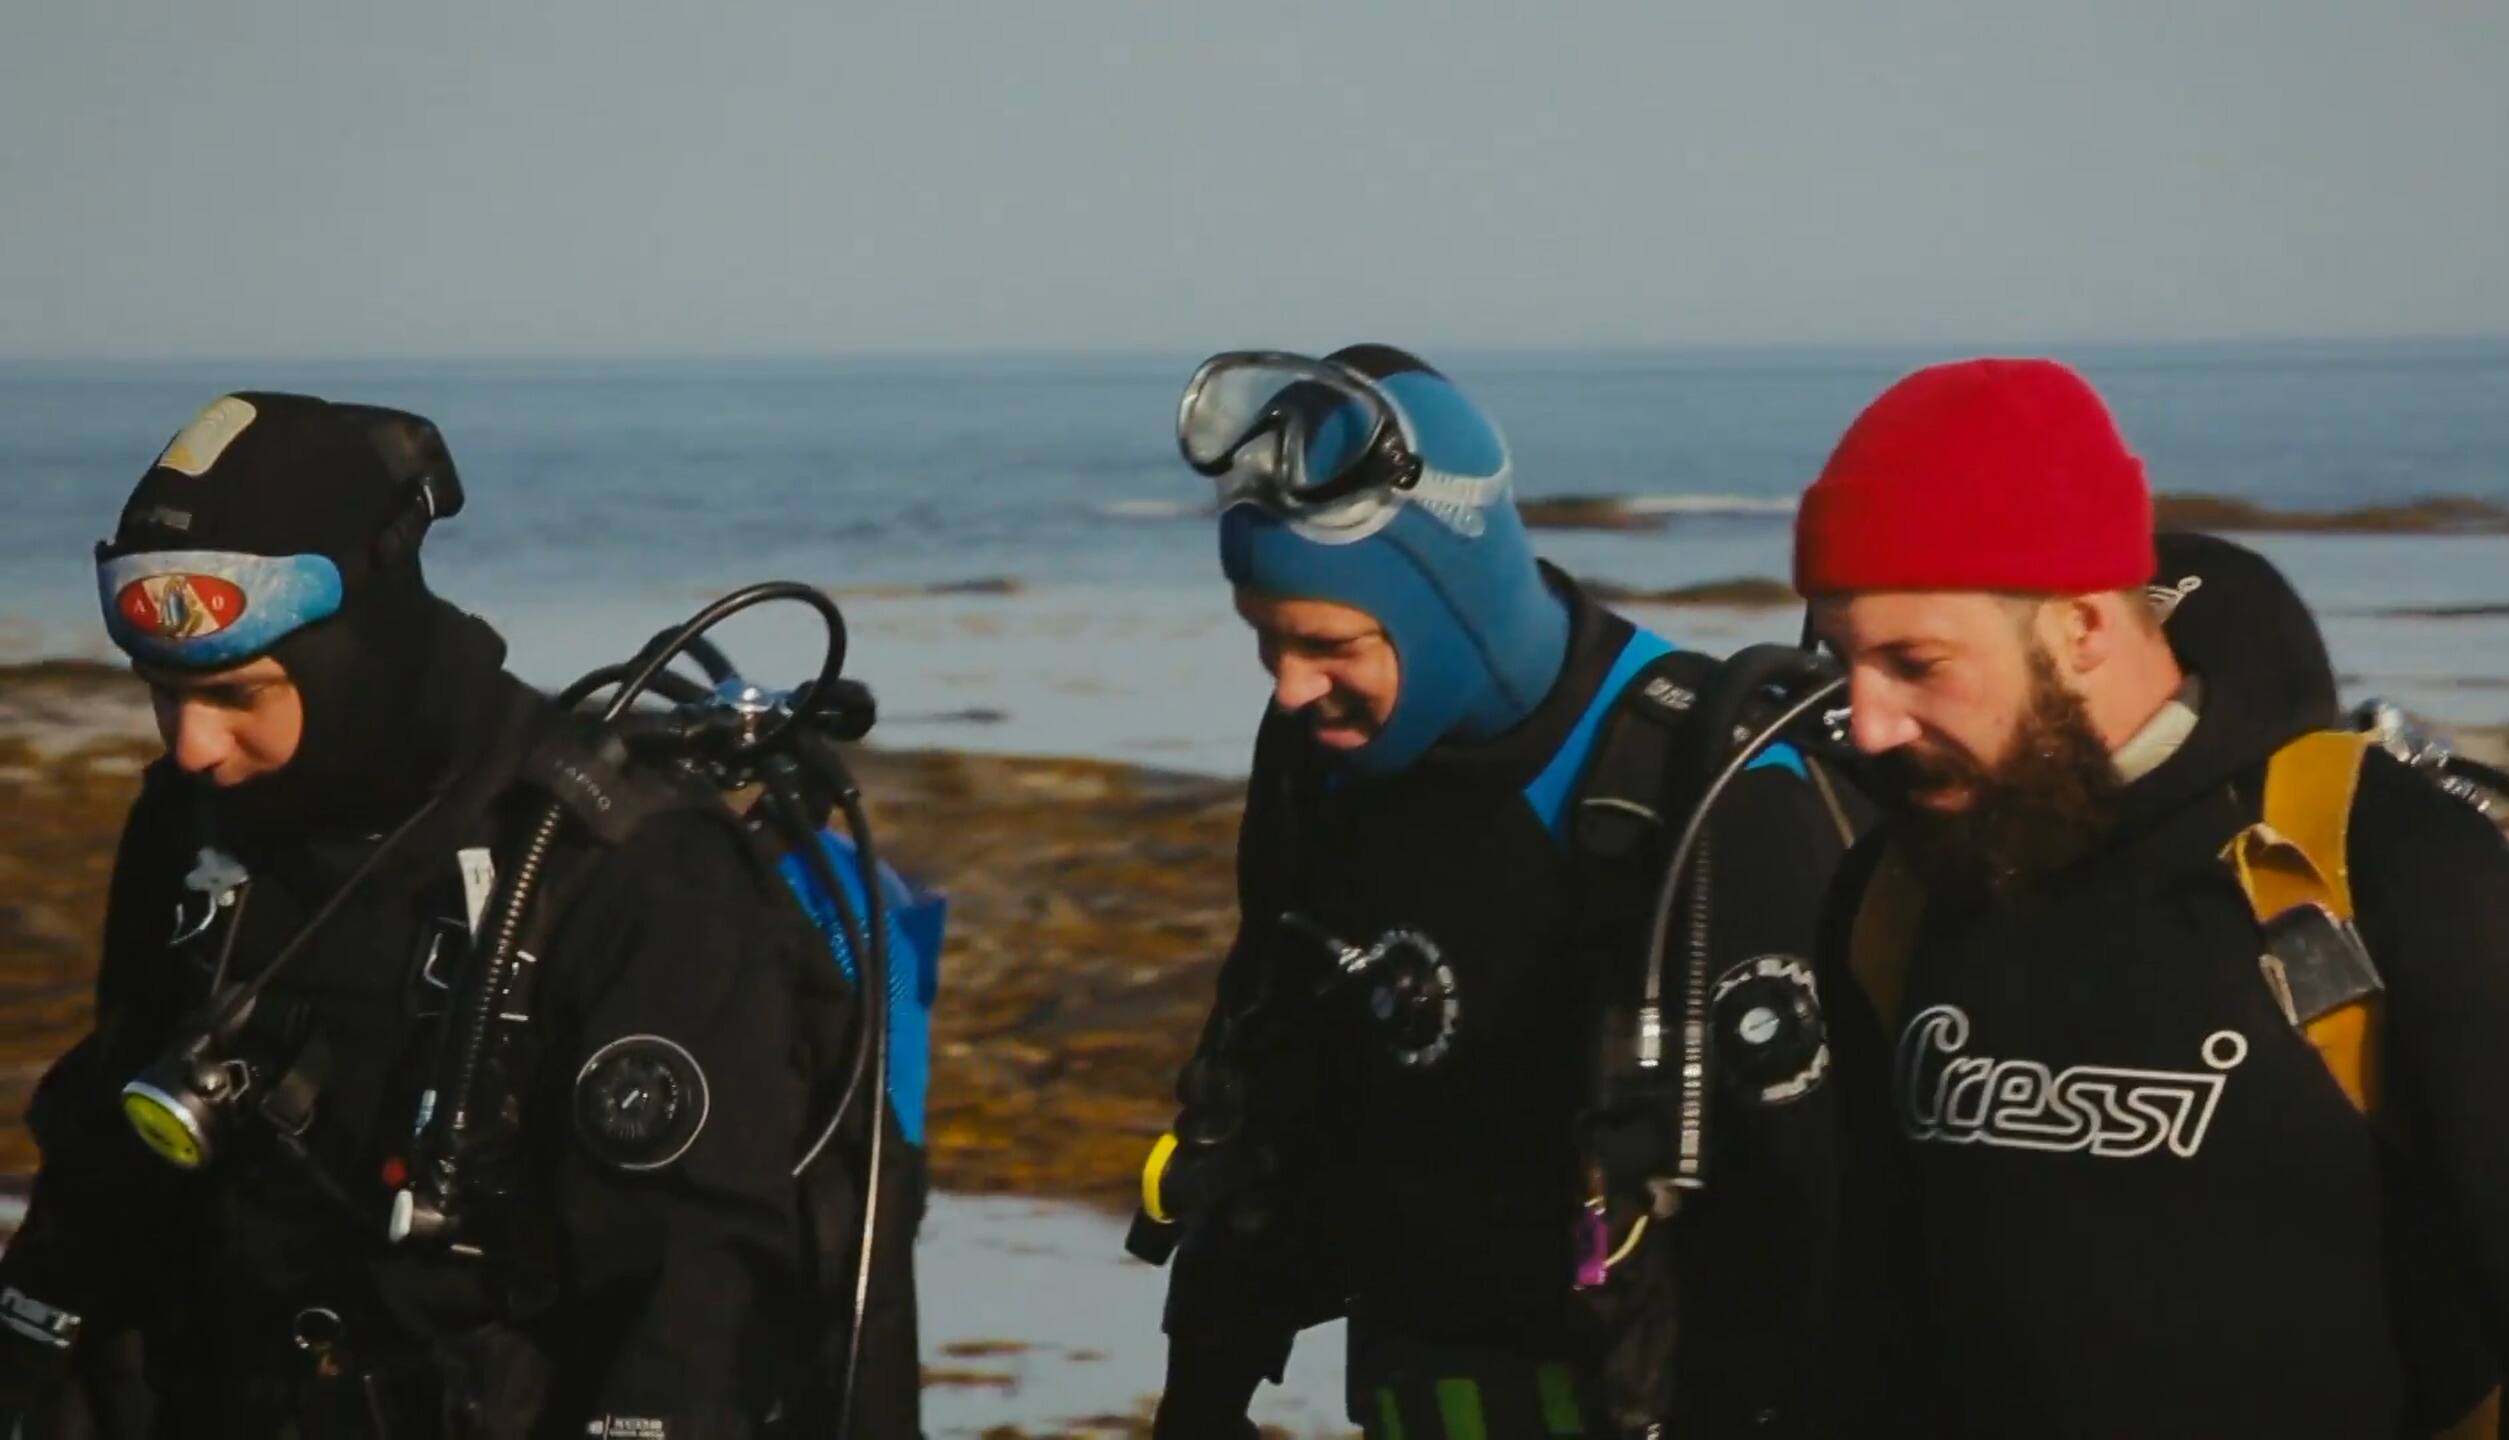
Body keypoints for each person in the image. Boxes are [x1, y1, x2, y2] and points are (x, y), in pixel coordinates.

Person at [0, 394, 927, 1439]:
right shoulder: (191, 828)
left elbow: (695, 1309)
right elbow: (103, 1169)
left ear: (356, 648)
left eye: (238, 695)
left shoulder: (631, 874)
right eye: (162, 693)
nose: (193, 746)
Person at [1796, 358, 2509, 1438]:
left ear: (2082, 629)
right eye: (1843, 659)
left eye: (1914, 662)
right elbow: (1862, 1316)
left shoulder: (2379, 862)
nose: (1866, 723)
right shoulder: (1896, 892)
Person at [1133, 346, 1865, 1438]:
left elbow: (1820, 1221)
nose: (1290, 686)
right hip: (1416, 1390)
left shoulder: (1701, 793)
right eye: (1265, 638)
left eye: (1328, 643)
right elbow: (1269, 1062)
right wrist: (1205, 1381)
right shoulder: (1317, 762)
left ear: (1446, 605)